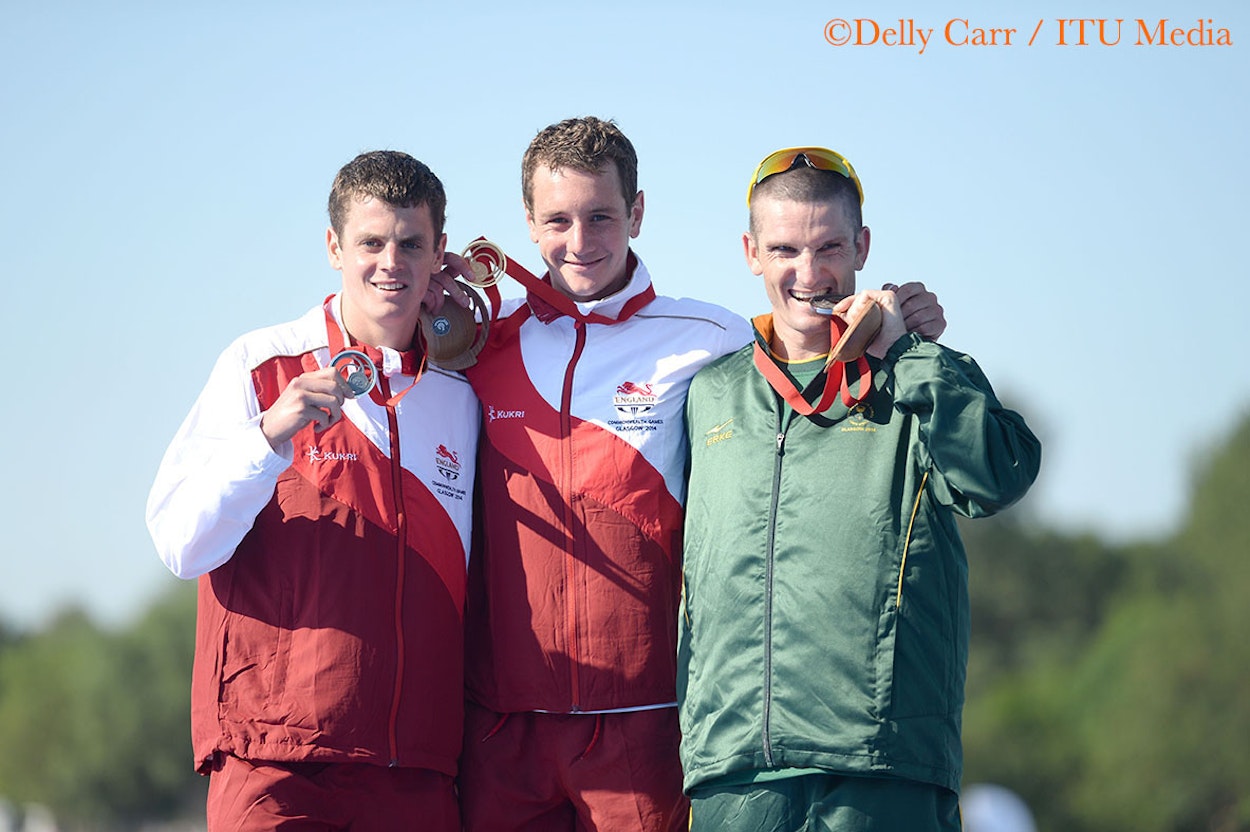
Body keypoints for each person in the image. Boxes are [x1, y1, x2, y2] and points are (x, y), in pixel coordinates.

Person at [456, 122, 944, 830]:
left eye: (602, 216)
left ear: (639, 212)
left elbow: (822, 359)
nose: (581, 240)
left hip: (646, 720)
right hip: (501, 725)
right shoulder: (478, 342)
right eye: (557, 220)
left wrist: (907, 329)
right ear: (528, 224)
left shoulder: (712, 338)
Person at [676, 146, 1043, 831]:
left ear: (862, 246)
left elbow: (999, 475)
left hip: (883, 768)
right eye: (784, 249)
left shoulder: (921, 372)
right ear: (751, 252)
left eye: (829, 247)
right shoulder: (709, 393)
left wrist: (907, 354)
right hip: (736, 773)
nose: (808, 273)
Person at [146, 150, 479, 831]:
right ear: (334, 247)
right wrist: (269, 437)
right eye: (371, 242)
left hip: (413, 767)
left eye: (411, 243)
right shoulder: (261, 365)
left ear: (439, 251)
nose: (391, 263)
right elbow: (180, 541)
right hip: (276, 762)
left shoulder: (461, 397)